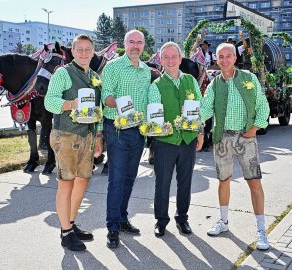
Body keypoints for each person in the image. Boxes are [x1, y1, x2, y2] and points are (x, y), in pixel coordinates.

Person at [200, 43, 270, 250]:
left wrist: (254, 128)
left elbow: (262, 105)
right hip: (222, 138)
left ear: (235, 58)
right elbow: (205, 109)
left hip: (246, 137)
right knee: (223, 180)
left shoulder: (249, 78)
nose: (224, 60)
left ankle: (261, 230)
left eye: (228, 56)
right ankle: (223, 222)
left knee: (254, 182)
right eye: (220, 56)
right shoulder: (214, 84)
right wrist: (190, 120)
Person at [44, 34, 103, 251]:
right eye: (80, 49)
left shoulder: (95, 76)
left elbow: (99, 111)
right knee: (66, 183)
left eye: (88, 50)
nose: (84, 53)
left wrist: (98, 136)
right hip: (66, 134)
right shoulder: (63, 73)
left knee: (83, 181)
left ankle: (69, 223)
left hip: (87, 135)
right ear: (72, 51)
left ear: (93, 51)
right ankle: (66, 233)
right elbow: (49, 102)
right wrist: (72, 104)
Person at [101, 29, 151, 249]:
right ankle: (112, 227)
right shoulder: (113, 67)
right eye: (131, 42)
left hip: (138, 131)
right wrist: (122, 105)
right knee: (117, 179)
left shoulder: (146, 70)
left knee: (130, 178)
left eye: (139, 43)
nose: (135, 46)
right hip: (117, 129)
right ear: (124, 44)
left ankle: (122, 219)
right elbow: (106, 97)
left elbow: (149, 99)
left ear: (144, 46)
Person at [148, 42, 204, 237]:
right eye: (166, 58)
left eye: (174, 57)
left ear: (181, 59)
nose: (170, 61)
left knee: (185, 182)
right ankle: (161, 220)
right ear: (161, 60)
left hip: (187, 140)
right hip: (166, 141)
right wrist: (160, 126)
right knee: (162, 182)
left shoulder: (190, 80)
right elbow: (154, 113)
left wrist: (200, 132)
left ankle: (182, 219)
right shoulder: (156, 85)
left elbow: (199, 107)